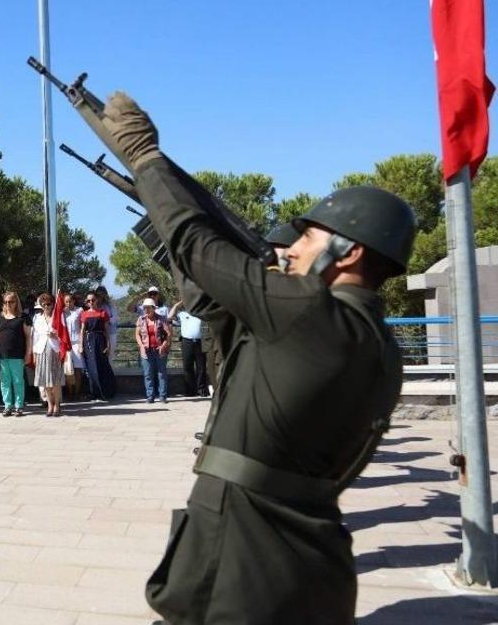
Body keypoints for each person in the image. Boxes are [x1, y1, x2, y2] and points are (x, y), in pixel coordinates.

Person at [91, 91, 416, 623]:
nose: (292, 249)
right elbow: (211, 303)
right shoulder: (380, 345)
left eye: (308, 238)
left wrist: (145, 157)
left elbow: (196, 244)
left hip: (243, 563)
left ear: (350, 251)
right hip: (312, 563)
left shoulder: (306, 311)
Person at [0, 291, 31, 417]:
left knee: (18, 381)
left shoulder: (23, 317)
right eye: (6, 302)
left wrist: (28, 353)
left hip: (17, 354)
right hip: (2, 354)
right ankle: (7, 406)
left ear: (16, 302)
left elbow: (28, 337)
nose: (8, 304)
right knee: (4, 381)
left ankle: (19, 406)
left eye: (11, 301)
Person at [78, 292, 116, 400]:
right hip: (88, 341)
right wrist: (81, 345)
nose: (91, 302)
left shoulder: (103, 313)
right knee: (91, 367)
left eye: (93, 300)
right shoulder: (84, 314)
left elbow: (107, 330)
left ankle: (104, 392)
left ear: (97, 300)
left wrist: (108, 345)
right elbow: (82, 330)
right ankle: (94, 392)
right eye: (88, 300)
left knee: (102, 365)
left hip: (100, 340)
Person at [32, 293, 64, 417]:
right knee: (45, 381)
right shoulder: (37, 318)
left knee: (55, 381)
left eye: (48, 304)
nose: (46, 306)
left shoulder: (58, 317)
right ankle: (49, 404)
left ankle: (57, 405)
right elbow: (35, 337)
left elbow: (64, 335)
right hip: (41, 350)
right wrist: (34, 353)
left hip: (54, 350)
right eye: (43, 304)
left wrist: (55, 336)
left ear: (52, 304)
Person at [168, 299, 208, 397]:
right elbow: (169, 317)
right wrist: (177, 305)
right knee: (187, 367)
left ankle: (201, 389)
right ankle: (190, 390)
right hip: (187, 342)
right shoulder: (182, 314)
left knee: (201, 367)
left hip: (199, 342)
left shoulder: (200, 313)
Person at [136, 298, 172, 404]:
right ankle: (150, 396)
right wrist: (141, 345)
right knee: (148, 374)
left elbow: (168, 334)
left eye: (148, 308)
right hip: (146, 350)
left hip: (160, 350)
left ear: (153, 308)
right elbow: (137, 334)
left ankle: (162, 396)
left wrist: (164, 345)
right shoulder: (141, 319)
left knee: (161, 373)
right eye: (144, 308)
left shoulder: (161, 319)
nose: (146, 310)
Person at [61, 293, 85, 401]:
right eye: (66, 301)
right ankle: (70, 393)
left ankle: (77, 393)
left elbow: (82, 327)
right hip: (66, 343)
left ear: (73, 301)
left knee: (78, 369)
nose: (68, 303)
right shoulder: (62, 312)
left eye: (70, 301)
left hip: (76, 343)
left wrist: (81, 344)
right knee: (68, 369)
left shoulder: (79, 310)